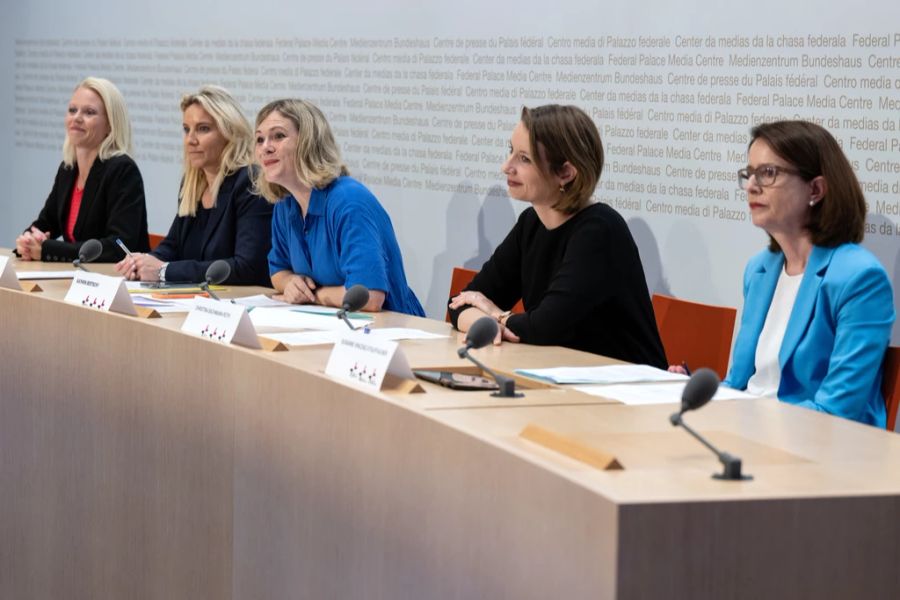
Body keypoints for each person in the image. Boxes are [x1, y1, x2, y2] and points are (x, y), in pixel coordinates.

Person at [447, 104, 666, 367]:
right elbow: (459, 304)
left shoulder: (599, 230)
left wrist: (493, 314)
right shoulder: (531, 223)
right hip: (564, 380)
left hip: (625, 392)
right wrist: (490, 323)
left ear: (565, 173)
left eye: (524, 159)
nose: (507, 166)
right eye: (510, 152)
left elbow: (543, 329)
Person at [723, 120, 894, 426]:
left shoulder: (858, 278)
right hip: (749, 433)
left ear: (815, 189)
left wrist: (748, 419)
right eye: (749, 174)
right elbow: (739, 383)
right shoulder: (759, 270)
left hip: (818, 450)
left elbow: (837, 412)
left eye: (768, 173)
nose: (751, 186)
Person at [254, 98, 423, 315]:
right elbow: (278, 271)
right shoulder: (286, 204)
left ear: (308, 142)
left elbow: (369, 297)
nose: (265, 148)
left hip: (388, 333)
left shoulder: (349, 201)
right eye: (259, 139)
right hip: (331, 326)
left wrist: (313, 295)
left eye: (278, 136)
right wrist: (291, 284)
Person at [115, 86, 272, 285]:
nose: (191, 140)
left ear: (229, 132)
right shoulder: (193, 184)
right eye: (186, 129)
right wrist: (143, 262)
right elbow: (172, 246)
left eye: (203, 129)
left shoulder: (250, 181)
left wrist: (164, 271)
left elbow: (248, 267)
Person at [15, 76, 148, 262]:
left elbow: (119, 246)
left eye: (89, 112)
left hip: (115, 282)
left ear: (110, 124)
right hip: (78, 278)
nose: (76, 118)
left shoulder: (122, 170)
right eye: (72, 110)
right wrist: (27, 242)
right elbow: (45, 224)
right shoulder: (68, 169)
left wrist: (47, 249)